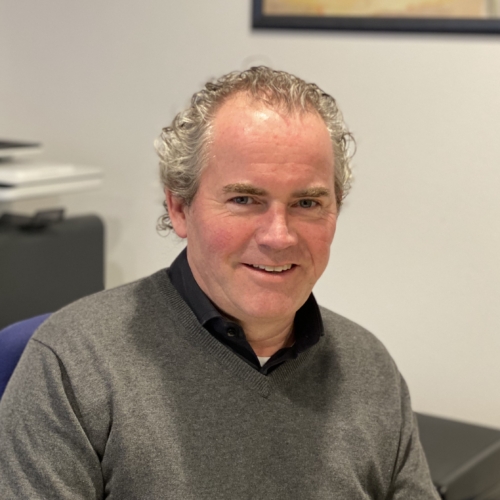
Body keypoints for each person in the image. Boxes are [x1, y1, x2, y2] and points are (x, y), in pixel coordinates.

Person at [0, 67, 439, 499]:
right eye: (244, 199)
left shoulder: (369, 368)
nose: (279, 236)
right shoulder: (73, 366)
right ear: (179, 208)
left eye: (307, 203)